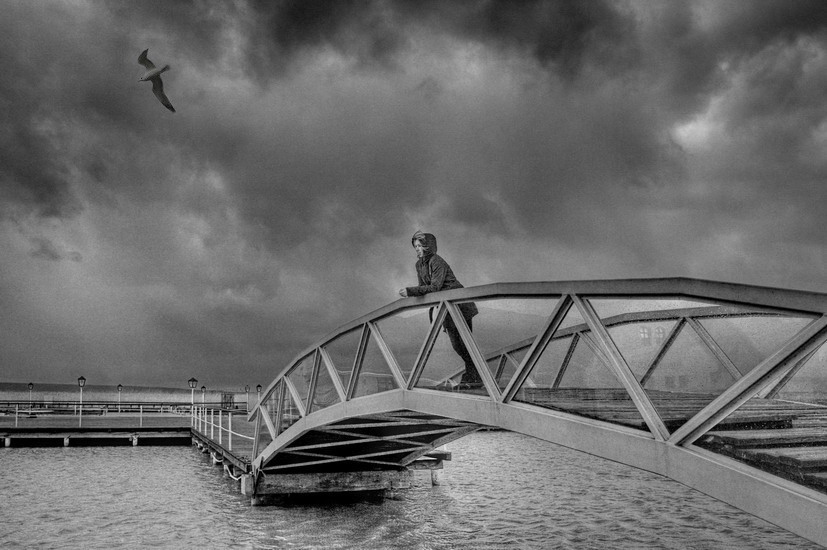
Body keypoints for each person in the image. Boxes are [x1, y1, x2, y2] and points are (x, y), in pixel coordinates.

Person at [398, 230, 481, 386]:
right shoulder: (419, 265)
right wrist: (414, 291)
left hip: (459, 306)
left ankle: (475, 377)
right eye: (415, 246)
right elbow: (424, 287)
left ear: (428, 246)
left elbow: (435, 287)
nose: (416, 248)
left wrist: (410, 291)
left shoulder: (437, 261)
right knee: (457, 346)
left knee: (464, 344)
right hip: (447, 309)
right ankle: (474, 376)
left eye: (420, 245)